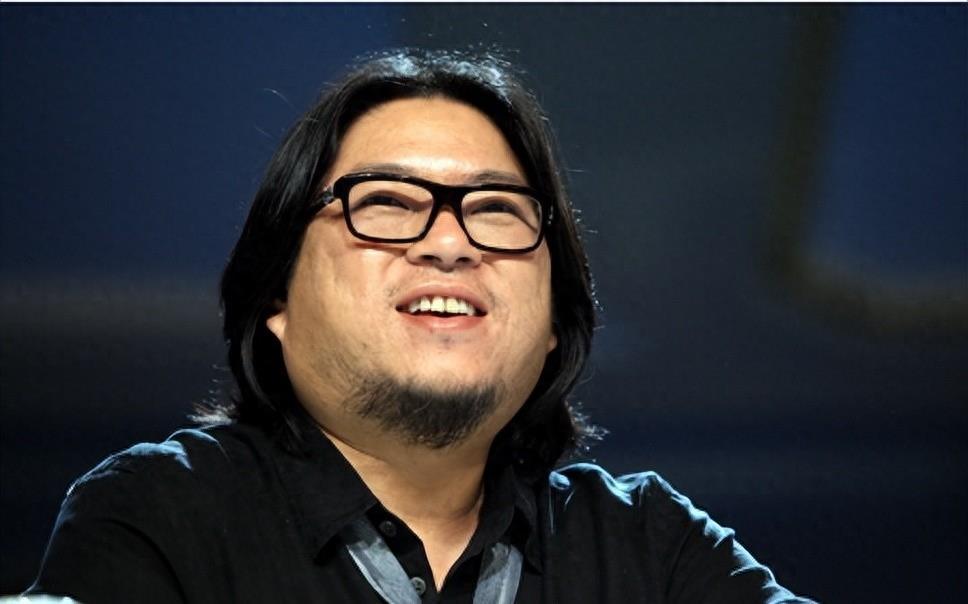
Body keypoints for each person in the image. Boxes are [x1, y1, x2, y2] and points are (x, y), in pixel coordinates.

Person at [27, 49, 814, 603]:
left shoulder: (649, 549)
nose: (449, 243)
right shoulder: (163, 518)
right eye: (386, 204)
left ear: (554, 320)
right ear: (276, 298)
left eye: (496, 210)